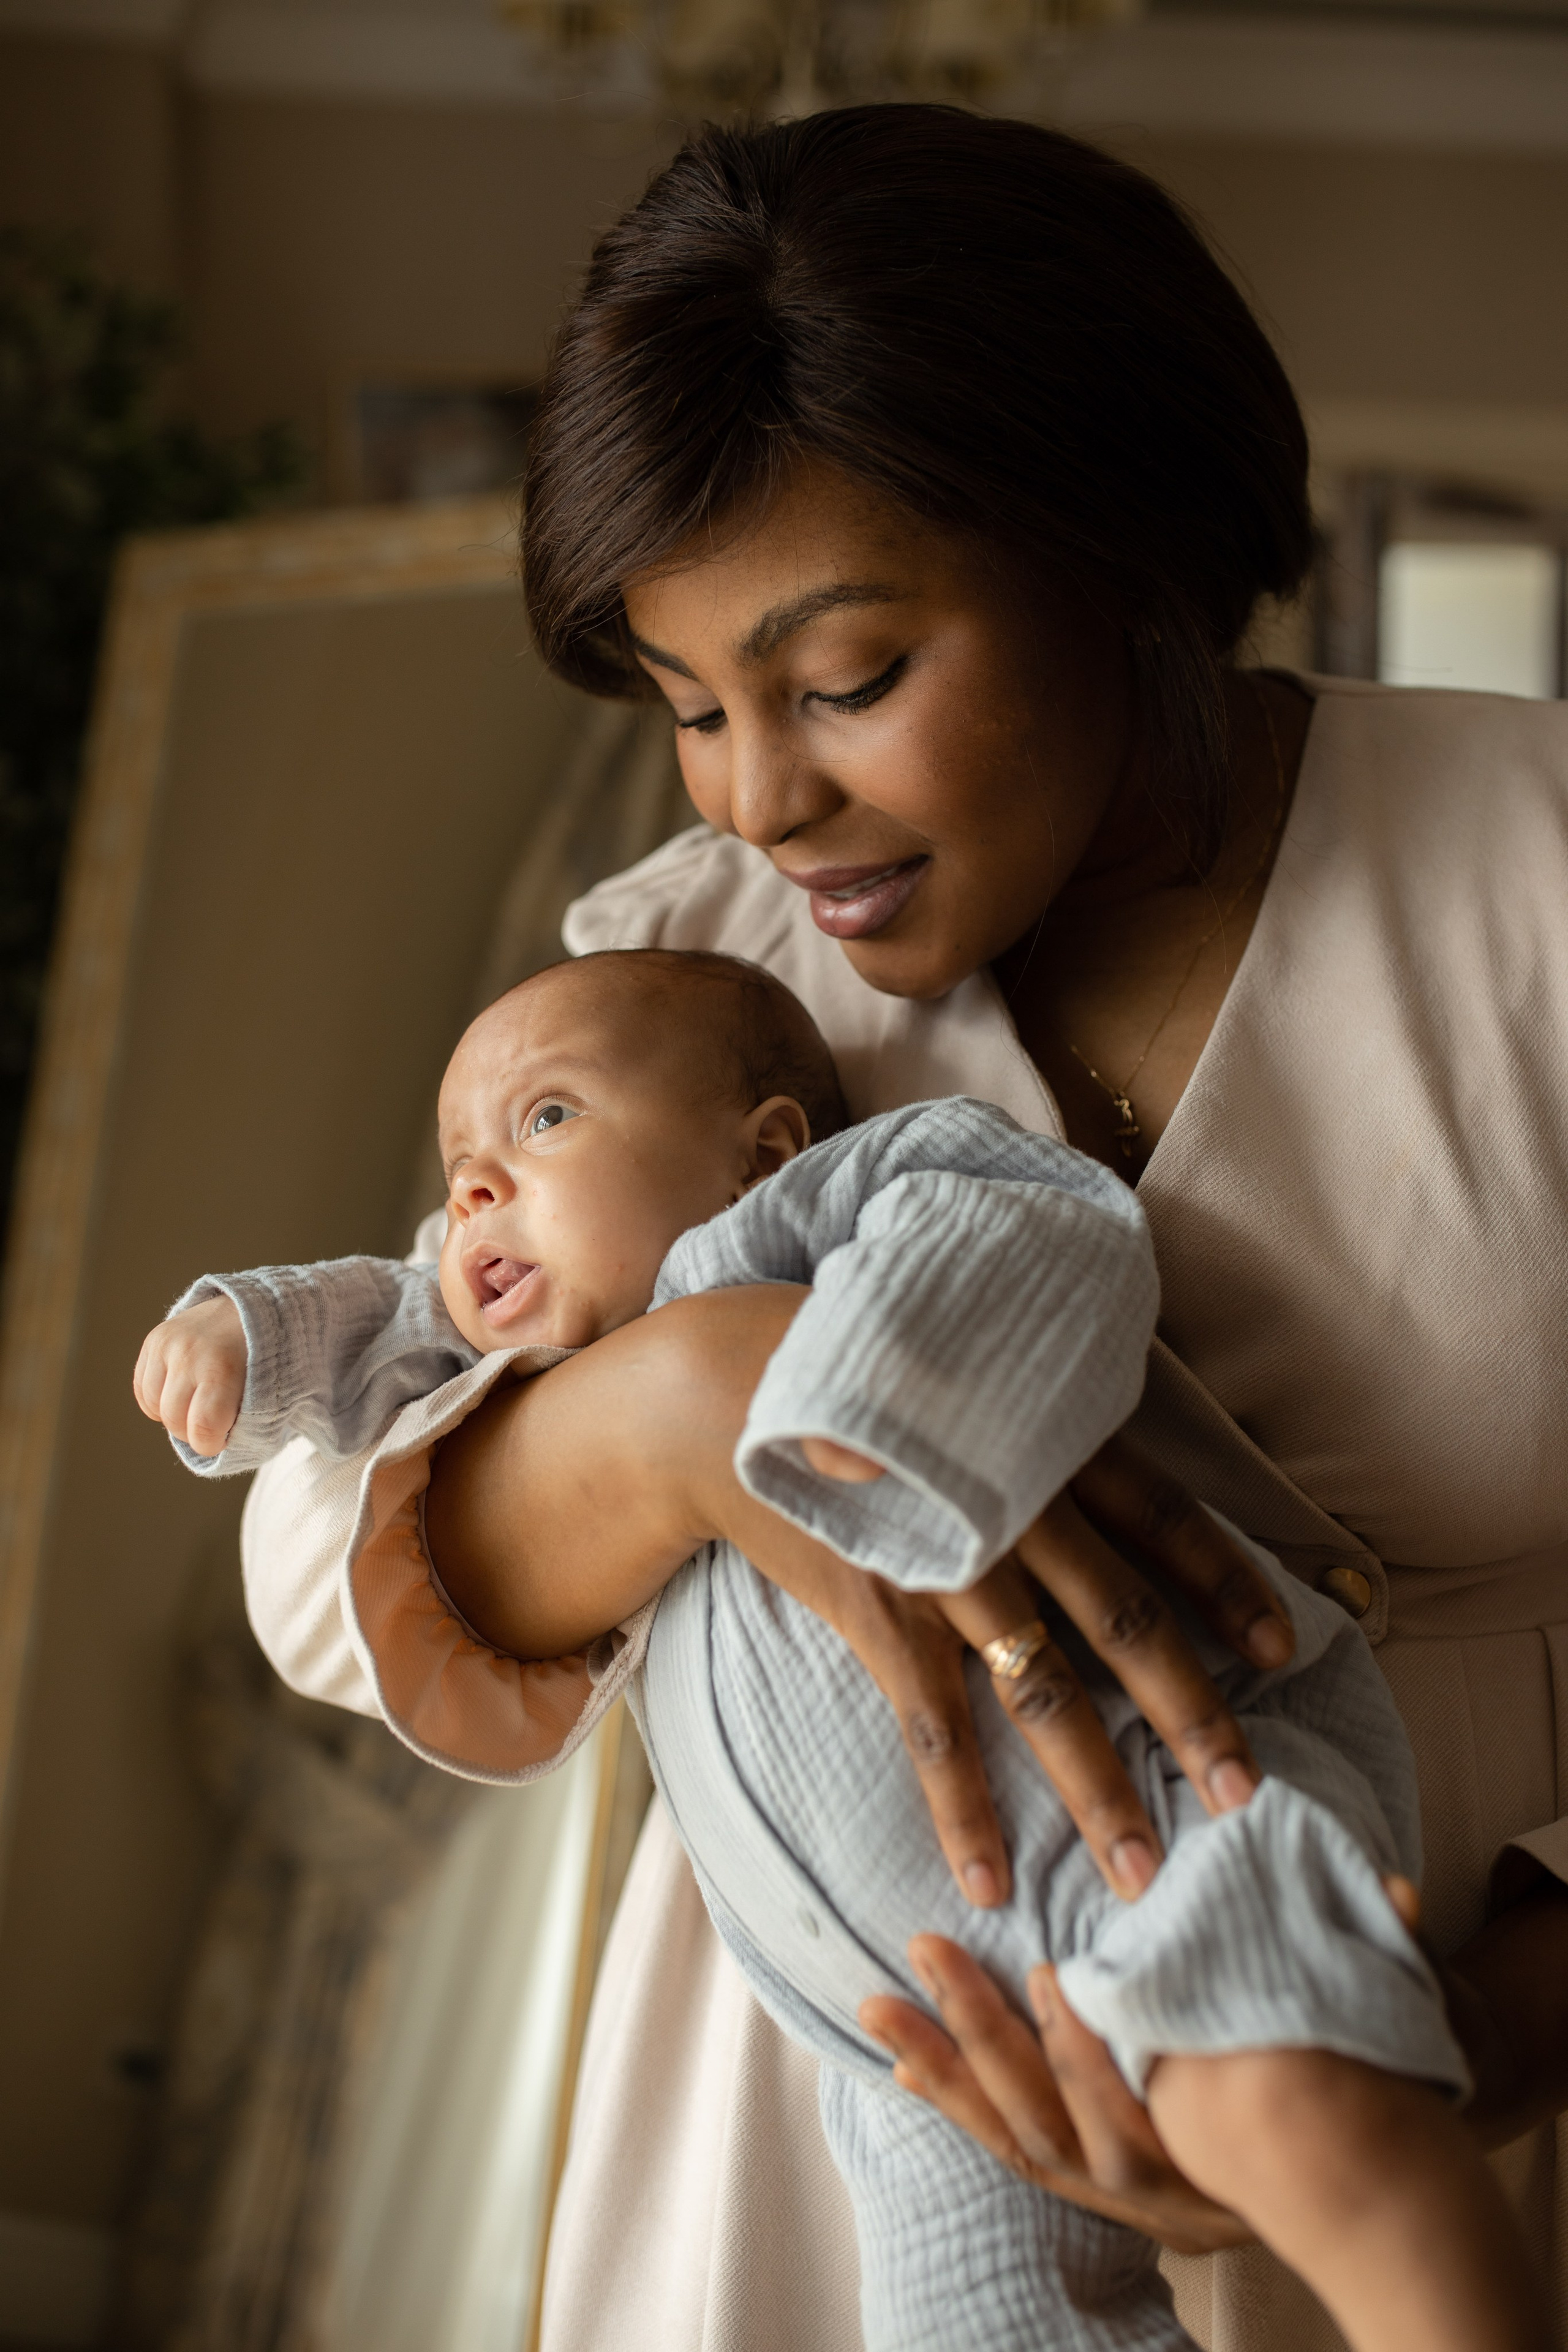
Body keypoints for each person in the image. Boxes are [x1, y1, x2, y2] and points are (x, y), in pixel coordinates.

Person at [229, 105, 1568, 2352]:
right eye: (686, 710)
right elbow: (336, 1581)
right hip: (850, 2121)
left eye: (847, 681)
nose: (763, 794)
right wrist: (685, 1403)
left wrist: (1511, 2026)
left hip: (1468, 2070)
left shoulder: (1528, 870)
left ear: (1118, 541)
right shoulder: (684, 966)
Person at [135, 948, 1528, 2352]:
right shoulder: (523, 1380)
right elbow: (379, 1316)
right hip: (902, 2053)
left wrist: (854, 1397)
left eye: (543, 1119)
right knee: (973, 2324)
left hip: (1145, 1849)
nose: (477, 1188)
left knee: (1309, 2113)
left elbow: (1035, 1241)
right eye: (460, 1168)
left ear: (762, 1151)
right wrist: (242, 1336)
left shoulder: (818, 1217)